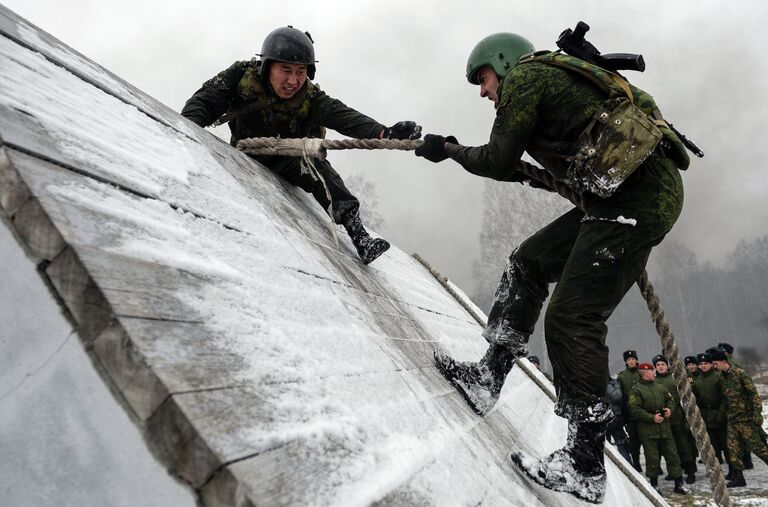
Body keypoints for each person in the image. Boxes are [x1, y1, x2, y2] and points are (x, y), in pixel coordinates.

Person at [416, 32, 688, 503]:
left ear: (501, 64)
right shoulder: (548, 80)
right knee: (528, 262)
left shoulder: (525, 77)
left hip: (637, 201)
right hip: (617, 197)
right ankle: (488, 376)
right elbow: (550, 169)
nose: (484, 92)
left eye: (482, 79)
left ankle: (585, 465)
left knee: (572, 317)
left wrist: (449, 150)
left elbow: (499, 161)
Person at [181, 26, 421, 264]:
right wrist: (184, 135)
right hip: (246, 152)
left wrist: (383, 132)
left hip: (291, 159)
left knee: (316, 165)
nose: (293, 80)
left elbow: (342, 116)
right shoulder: (240, 76)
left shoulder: (310, 98)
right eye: (285, 70)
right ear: (267, 67)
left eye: (301, 72)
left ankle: (358, 233)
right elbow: (204, 102)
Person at [628, 363, 688, 495]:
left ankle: (679, 484)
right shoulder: (636, 390)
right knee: (652, 458)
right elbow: (634, 409)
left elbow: (670, 400)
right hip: (648, 431)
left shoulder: (660, 387)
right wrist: (651, 417)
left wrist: (669, 409)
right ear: (644, 373)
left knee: (673, 456)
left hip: (665, 429)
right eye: (651, 370)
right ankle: (654, 485)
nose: (654, 372)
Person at [712, 349, 768, 487]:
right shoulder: (721, 377)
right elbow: (725, 398)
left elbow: (753, 395)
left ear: (723, 362)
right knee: (733, 449)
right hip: (732, 419)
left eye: (715, 363)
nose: (714, 366)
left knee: (759, 449)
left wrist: (757, 414)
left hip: (746, 419)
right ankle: (739, 478)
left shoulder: (740, 374)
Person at [653, 354, 697, 483]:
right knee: (669, 448)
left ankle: (690, 471)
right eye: (658, 365)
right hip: (663, 420)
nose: (661, 367)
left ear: (667, 366)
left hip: (678, 416)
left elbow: (684, 397)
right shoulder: (654, 381)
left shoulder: (674, 379)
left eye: (663, 364)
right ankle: (674, 471)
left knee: (683, 445)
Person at [692, 352, 726, 465]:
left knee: (726, 444)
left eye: (706, 363)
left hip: (720, 414)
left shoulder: (718, 377)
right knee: (713, 444)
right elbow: (696, 400)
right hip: (706, 415)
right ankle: (717, 464)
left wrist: (721, 414)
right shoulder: (697, 380)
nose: (703, 366)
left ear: (712, 364)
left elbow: (724, 398)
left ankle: (733, 469)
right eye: (701, 363)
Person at [617, 350, 642, 472]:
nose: (631, 361)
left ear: (636, 360)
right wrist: (624, 414)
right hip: (631, 415)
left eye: (633, 359)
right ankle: (636, 463)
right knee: (634, 441)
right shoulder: (622, 377)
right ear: (626, 362)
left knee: (648, 442)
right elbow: (620, 397)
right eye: (629, 360)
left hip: (645, 414)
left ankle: (656, 466)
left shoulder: (642, 373)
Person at [606, 377, 632, 465]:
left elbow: (617, 397)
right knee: (612, 444)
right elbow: (616, 397)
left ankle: (628, 465)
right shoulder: (608, 384)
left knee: (620, 443)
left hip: (614, 418)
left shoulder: (612, 383)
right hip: (608, 419)